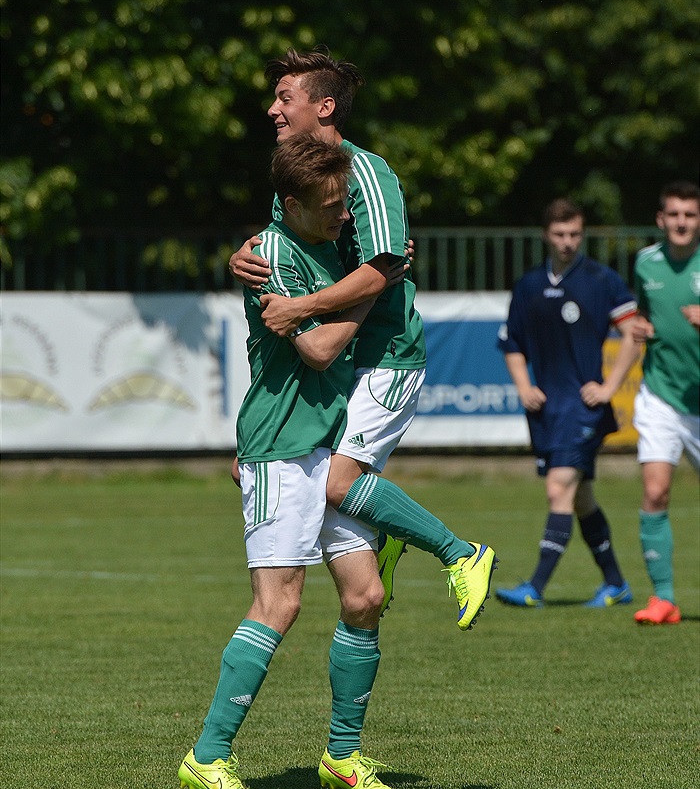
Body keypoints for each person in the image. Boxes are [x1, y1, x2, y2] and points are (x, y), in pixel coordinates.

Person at [229, 47, 497, 631]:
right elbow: (280, 246)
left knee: (337, 479)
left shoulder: (367, 173)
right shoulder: (296, 181)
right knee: (356, 581)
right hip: (337, 361)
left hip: (385, 356)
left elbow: (384, 268)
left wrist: (302, 306)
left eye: (285, 98)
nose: (272, 109)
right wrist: (242, 259)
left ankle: (463, 553)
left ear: (324, 107)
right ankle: (388, 536)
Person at [179, 134, 410, 789]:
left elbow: (370, 260)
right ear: (290, 205)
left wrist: (376, 268)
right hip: (280, 446)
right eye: (331, 207)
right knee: (279, 604)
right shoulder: (269, 253)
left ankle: (343, 755)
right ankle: (208, 755)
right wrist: (378, 287)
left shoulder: (330, 244)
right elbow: (316, 347)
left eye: (344, 204)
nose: (344, 217)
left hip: (326, 446)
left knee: (366, 597)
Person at [495, 198, 640, 608]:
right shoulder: (528, 285)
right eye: (559, 234)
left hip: (583, 407)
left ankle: (535, 588)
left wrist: (610, 387)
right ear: (546, 235)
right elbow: (512, 344)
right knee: (580, 498)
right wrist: (524, 385)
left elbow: (634, 333)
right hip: (546, 408)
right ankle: (616, 584)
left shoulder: (601, 280)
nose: (567, 242)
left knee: (559, 486)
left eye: (575, 234)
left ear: (583, 234)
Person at [631, 180, 700, 626]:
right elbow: (641, 312)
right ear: (661, 219)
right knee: (655, 492)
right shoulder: (645, 263)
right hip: (660, 396)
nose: (681, 222)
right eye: (673, 214)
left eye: (690, 215)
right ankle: (664, 599)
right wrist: (640, 327)